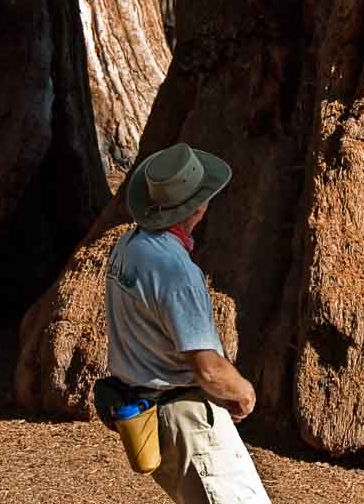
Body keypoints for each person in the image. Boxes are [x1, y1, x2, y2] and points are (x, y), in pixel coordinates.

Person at [104, 142, 270, 504]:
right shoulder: (177, 272)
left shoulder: (128, 247)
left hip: (149, 414)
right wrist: (243, 394)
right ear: (199, 205)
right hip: (188, 421)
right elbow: (208, 370)